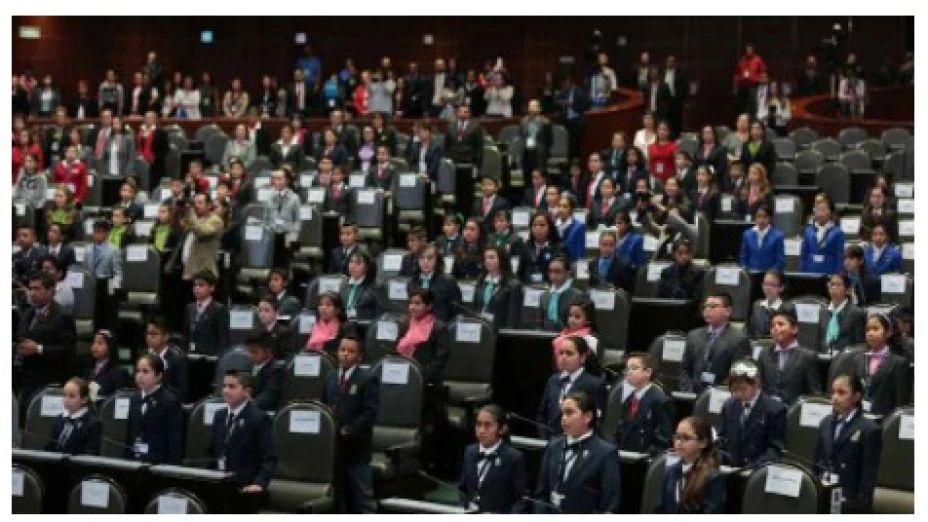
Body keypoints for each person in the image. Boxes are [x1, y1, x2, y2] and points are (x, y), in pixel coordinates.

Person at [534, 390, 620, 513]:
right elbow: (541, 493)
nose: (564, 418)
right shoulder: (554, 445)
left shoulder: (606, 452)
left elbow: (609, 504)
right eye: (563, 413)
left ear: (588, 417)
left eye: (569, 412)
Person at [321, 334, 379, 514]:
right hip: (335, 449)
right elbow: (324, 406)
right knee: (338, 497)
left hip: (356, 449)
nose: (345, 354)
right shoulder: (330, 377)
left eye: (351, 351)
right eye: (342, 350)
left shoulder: (367, 378)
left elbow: (370, 413)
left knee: (362, 498)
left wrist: (350, 429)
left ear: (359, 356)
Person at [815, 374, 882, 513]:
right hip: (824, 496)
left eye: (841, 393)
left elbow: (867, 479)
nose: (834, 397)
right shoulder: (825, 423)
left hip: (851, 502)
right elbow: (818, 462)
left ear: (856, 397)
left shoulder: (869, 430)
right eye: (833, 392)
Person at [16, 271, 77, 422]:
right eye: (31, 289)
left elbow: (67, 350)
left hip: (49, 380)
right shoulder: (27, 314)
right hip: (26, 379)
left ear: (51, 290)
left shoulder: (62, 316)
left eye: (37, 289)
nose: (32, 293)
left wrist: (39, 348)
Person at [208, 371, 277, 496]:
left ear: (246, 391)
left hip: (245, 488)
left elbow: (269, 458)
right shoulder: (219, 415)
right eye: (224, 386)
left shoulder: (259, 418)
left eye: (232, 386)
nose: (226, 390)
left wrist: (259, 484)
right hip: (219, 484)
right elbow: (212, 451)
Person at [458, 404, 528, 513]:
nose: (481, 430)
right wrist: (466, 505)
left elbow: (522, 500)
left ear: (502, 429)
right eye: (478, 424)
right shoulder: (469, 451)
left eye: (487, 425)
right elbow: (462, 488)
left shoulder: (514, 458)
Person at [716, 359, 786, 467]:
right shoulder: (729, 406)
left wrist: (755, 467)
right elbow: (721, 440)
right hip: (730, 469)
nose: (738, 394)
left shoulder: (775, 410)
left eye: (743, 389)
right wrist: (720, 459)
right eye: (734, 389)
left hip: (757, 470)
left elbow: (775, 449)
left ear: (756, 383)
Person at [681, 292, 752, 393]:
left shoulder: (739, 340)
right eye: (706, 306)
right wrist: (688, 392)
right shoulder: (693, 335)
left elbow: (738, 375)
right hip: (693, 394)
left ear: (728, 311)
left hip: (722, 395)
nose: (707, 309)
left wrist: (715, 394)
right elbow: (685, 370)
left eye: (713, 306)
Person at [537, 336, 607, 438]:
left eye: (569, 353)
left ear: (582, 357)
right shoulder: (553, 380)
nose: (564, 357)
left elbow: (597, 421)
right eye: (561, 353)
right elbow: (542, 415)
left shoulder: (595, 385)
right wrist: (545, 438)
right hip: (551, 442)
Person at [655, 416, 726, 514]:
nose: (679, 443)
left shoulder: (713, 477)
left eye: (686, 438)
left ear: (703, 443)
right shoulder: (669, 471)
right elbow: (660, 508)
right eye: (677, 437)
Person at [125, 354, 183, 464]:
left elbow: (174, 441)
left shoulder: (170, 401)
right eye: (138, 371)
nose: (140, 376)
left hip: (159, 463)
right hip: (134, 460)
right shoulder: (134, 399)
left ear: (158, 376)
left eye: (145, 372)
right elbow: (129, 435)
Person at [756, 310, 822, 404]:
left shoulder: (807, 357)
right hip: (768, 408)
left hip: (793, 409)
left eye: (781, 324)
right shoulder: (764, 354)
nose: (775, 328)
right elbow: (758, 386)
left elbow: (814, 394)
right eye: (772, 325)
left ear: (794, 329)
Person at [613, 352, 672, 456]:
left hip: (645, 459)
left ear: (648, 372)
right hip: (625, 455)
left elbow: (663, 438)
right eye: (627, 369)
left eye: (634, 368)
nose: (629, 372)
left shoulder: (660, 400)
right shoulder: (629, 399)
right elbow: (620, 431)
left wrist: (648, 456)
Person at [852, 313, 910, 416]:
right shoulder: (858, 360)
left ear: (888, 332)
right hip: (860, 419)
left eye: (875, 329)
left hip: (884, 419)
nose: (870, 333)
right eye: (868, 330)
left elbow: (901, 403)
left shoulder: (899, 363)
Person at [395, 289, 451, 383]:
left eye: (417, 303)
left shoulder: (438, 328)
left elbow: (440, 358)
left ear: (429, 306)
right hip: (402, 374)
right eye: (411, 303)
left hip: (427, 378)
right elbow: (396, 351)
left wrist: (421, 376)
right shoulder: (404, 324)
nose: (412, 307)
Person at [407, 243, 461, 323]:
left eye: (430, 258)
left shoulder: (448, 281)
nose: (425, 262)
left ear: (437, 260)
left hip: (441, 326)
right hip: (418, 326)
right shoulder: (412, 282)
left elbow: (456, 310)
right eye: (422, 258)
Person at [46, 377, 101, 455]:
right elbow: (51, 447)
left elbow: (90, 453)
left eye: (72, 396)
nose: (66, 399)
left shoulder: (93, 424)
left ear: (84, 399)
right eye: (64, 395)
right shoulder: (59, 419)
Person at [473, 245, 521, 328]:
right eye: (485, 258)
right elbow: (476, 309)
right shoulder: (480, 282)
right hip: (482, 328)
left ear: (501, 260)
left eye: (491, 257)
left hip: (501, 330)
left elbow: (513, 317)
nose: (487, 261)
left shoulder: (513, 285)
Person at [184, 270, 229, 356]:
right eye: (195, 285)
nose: (196, 288)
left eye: (201, 285)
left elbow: (223, 339)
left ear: (212, 288)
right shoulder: (189, 308)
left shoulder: (219, 309)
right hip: (191, 354)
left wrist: (218, 357)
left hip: (210, 356)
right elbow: (186, 334)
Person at [145, 317, 189, 402]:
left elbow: (181, 391)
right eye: (147, 333)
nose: (149, 337)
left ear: (166, 337)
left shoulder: (177, 360)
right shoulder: (143, 356)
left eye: (154, 334)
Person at [800, 196, 845, 275]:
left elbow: (839, 257)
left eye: (823, 210)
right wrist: (801, 273)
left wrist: (838, 274)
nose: (820, 213)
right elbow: (804, 255)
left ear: (830, 211)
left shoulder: (838, 232)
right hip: (810, 271)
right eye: (817, 210)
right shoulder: (808, 231)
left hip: (829, 272)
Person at [822, 273, 866, 353]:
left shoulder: (856, 313)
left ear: (848, 290)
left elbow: (862, 345)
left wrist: (845, 352)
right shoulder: (822, 312)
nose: (834, 288)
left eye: (838, 285)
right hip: (823, 356)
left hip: (845, 357)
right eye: (832, 284)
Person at [747, 270, 795, 339]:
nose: (768, 288)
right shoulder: (757, 305)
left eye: (772, 285)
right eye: (765, 284)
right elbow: (751, 330)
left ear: (781, 288)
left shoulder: (789, 308)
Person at [541, 256, 584, 332]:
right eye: (550, 271)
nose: (553, 275)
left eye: (557, 271)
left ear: (568, 273)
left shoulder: (578, 295)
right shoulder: (543, 296)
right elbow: (542, 322)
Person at [84, 329, 129, 400]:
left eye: (100, 343)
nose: (95, 346)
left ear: (110, 347)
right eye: (94, 342)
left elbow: (120, 398)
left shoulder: (119, 372)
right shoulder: (88, 368)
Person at [244, 333, 284, 413]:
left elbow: (266, 399)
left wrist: (246, 403)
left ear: (268, 351)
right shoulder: (248, 366)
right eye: (249, 352)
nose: (251, 356)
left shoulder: (276, 371)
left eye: (255, 352)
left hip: (266, 413)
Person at [739, 204, 785, 271]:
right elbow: (743, 257)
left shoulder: (778, 236)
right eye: (759, 216)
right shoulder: (747, 234)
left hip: (770, 274)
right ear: (755, 218)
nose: (761, 220)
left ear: (770, 218)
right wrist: (745, 268)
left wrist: (772, 273)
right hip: (751, 273)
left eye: (765, 217)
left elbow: (780, 260)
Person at [588, 229, 635, 294]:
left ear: (616, 245)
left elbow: (628, 291)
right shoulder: (591, 264)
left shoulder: (624, 266)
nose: (608, 248)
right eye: (604, 244)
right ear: (599, 245)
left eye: (611, 245)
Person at [305, 292, 348, 356]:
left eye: (328, 305)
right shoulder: (314, 325)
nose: (323, 308)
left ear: (337, 310)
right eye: (320, 305)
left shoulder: (344, 327)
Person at [344, 252, 382, 322]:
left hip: (364, 325)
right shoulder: (343, 284)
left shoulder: (375, 287)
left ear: (367, 267)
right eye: (351, 262)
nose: (353, 266)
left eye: (358, 263)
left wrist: (354, 313)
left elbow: (379, 313)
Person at [553, 194, 586, 262]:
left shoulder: (579, 227)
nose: (561, 209)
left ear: (571, 209)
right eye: (559, 206)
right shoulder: (553, 225)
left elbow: (580, 252)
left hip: (572, 263)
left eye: (565, 206)